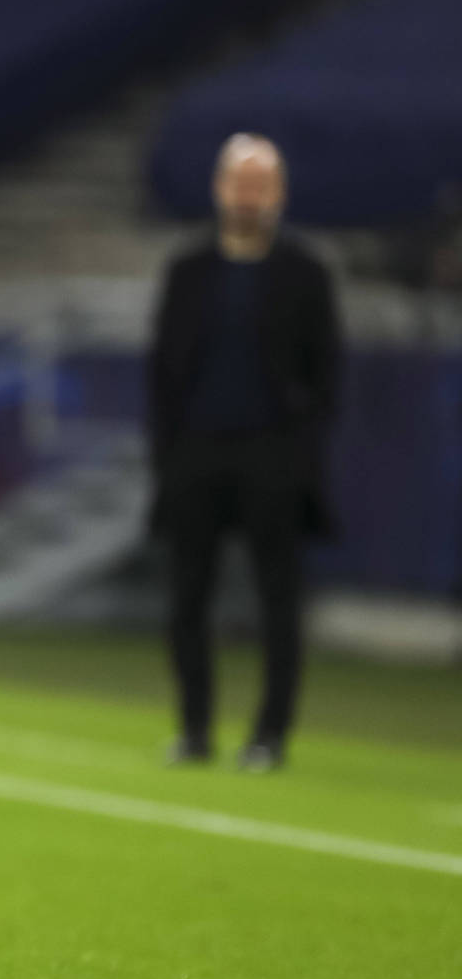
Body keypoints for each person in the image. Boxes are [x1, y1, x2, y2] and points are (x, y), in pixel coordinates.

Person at [148, 133, 341, 772]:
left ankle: (269, 736)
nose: (249, 197)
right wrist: (166, 455)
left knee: (278, 601)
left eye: (262, 185)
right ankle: (195, 728)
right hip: (198, 452)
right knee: (187, 598)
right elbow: (163, 370)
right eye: (240, 183)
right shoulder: (188, 270)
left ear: (279, 194)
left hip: (272, 457)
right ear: (219, 188)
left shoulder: (306, 273)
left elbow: (327, 373)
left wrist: (302, 452)